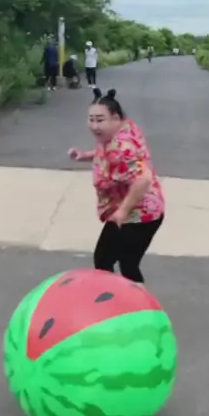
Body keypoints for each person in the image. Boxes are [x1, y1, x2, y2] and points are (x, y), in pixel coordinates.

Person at [68, 88, 165, 286]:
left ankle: (133, 302)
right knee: (111, 260)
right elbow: (105, 153)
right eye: (91, 119)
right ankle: (116, 298)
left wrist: (123, 212)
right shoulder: (122, 128)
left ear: (115, 118)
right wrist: (85, 155)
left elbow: (143, 179)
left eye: (100, 120)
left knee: (119, 263)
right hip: (135, 208)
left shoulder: (121, 148)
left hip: (140, 214)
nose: (94, 126)